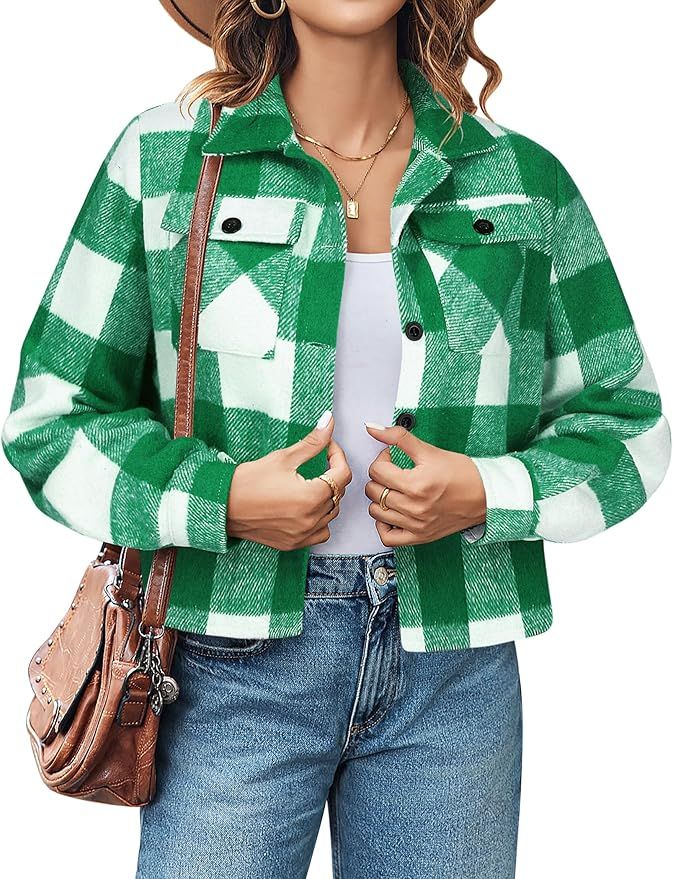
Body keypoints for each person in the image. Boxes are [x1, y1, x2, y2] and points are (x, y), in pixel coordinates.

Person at [2, 1, 670, 876]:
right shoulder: (165, 160)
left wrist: (485, 492)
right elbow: (53, 415)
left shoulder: (519, 179)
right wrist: (223, 499)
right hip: (226, 665)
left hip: (453, 670)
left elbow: (626, 420)